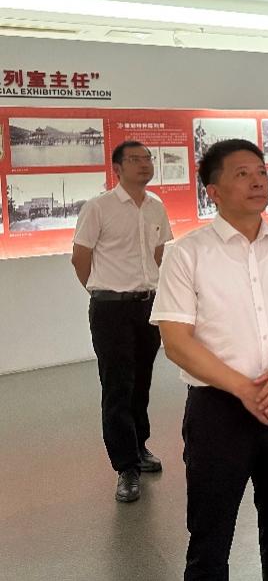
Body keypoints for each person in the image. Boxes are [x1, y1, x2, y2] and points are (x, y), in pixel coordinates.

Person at [151, 139, 268, 580]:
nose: (258, 182)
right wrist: (243, 388)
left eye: (262, 172)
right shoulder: (186, 253)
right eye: (243, 174)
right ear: (213, 191)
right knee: (210, 536)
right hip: (218, 410)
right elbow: (176, 341)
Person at [72, 140, 173, 503]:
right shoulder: (98, 207)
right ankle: (125, 467)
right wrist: (102, 291)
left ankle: (139, 447)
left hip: (148, 306)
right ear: (117, 168)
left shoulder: (156, 206)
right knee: (117, 386)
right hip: (110, 309)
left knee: (141, 382)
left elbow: (159, 253)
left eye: (147, 158)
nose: (144, 164)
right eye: (135, 159)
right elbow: (80, 257)